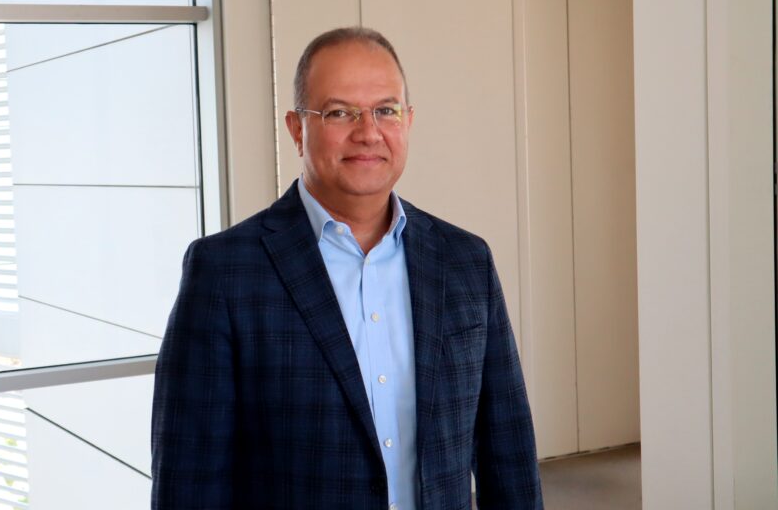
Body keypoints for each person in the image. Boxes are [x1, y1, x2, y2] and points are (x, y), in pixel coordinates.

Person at [151, 27, 542, 509]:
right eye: (339, 112)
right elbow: (189, 478)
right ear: (297, 128)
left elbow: (508, 450)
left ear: (409, 120)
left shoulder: (464, 261)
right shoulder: (225, 273)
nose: (368, 132)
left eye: (386, 110)